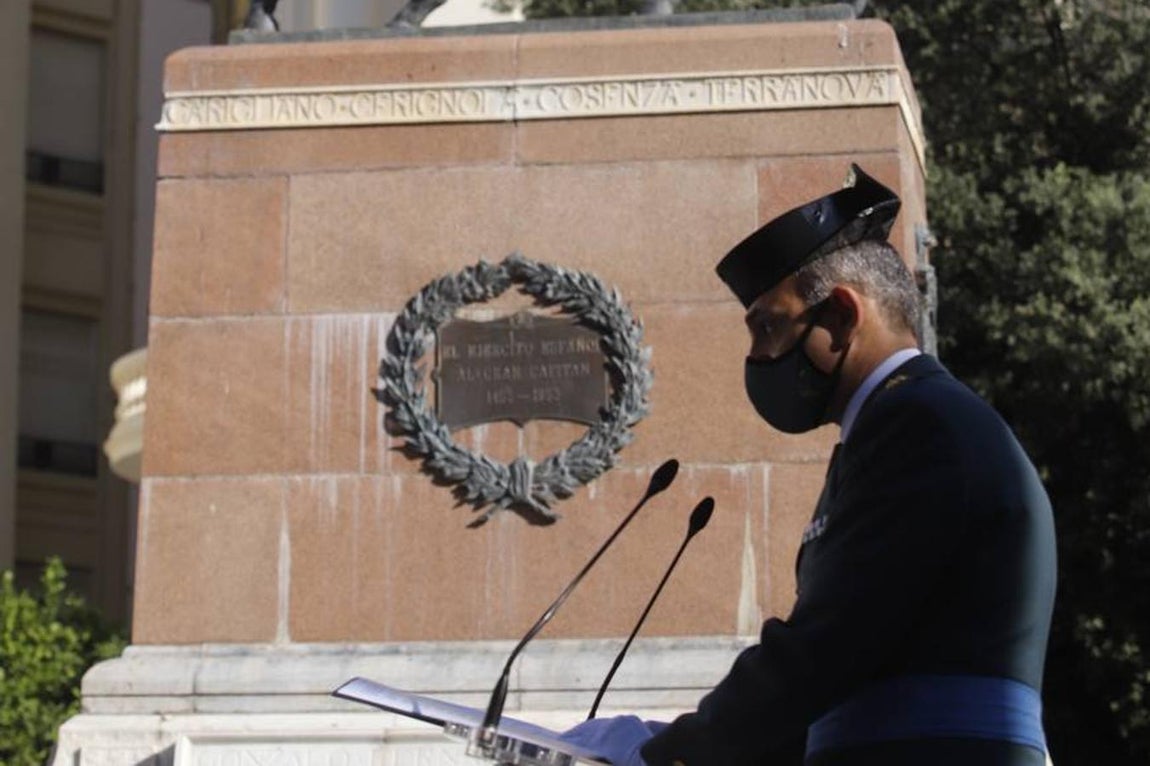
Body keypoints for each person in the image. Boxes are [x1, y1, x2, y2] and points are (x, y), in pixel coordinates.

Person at [561, 165, 1057, 765]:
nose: (758, 357)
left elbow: (831, 645)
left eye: (769, 325)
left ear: (843, 316)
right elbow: (837, 682)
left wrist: (666, 756)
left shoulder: (919, 426)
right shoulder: (901, 424)